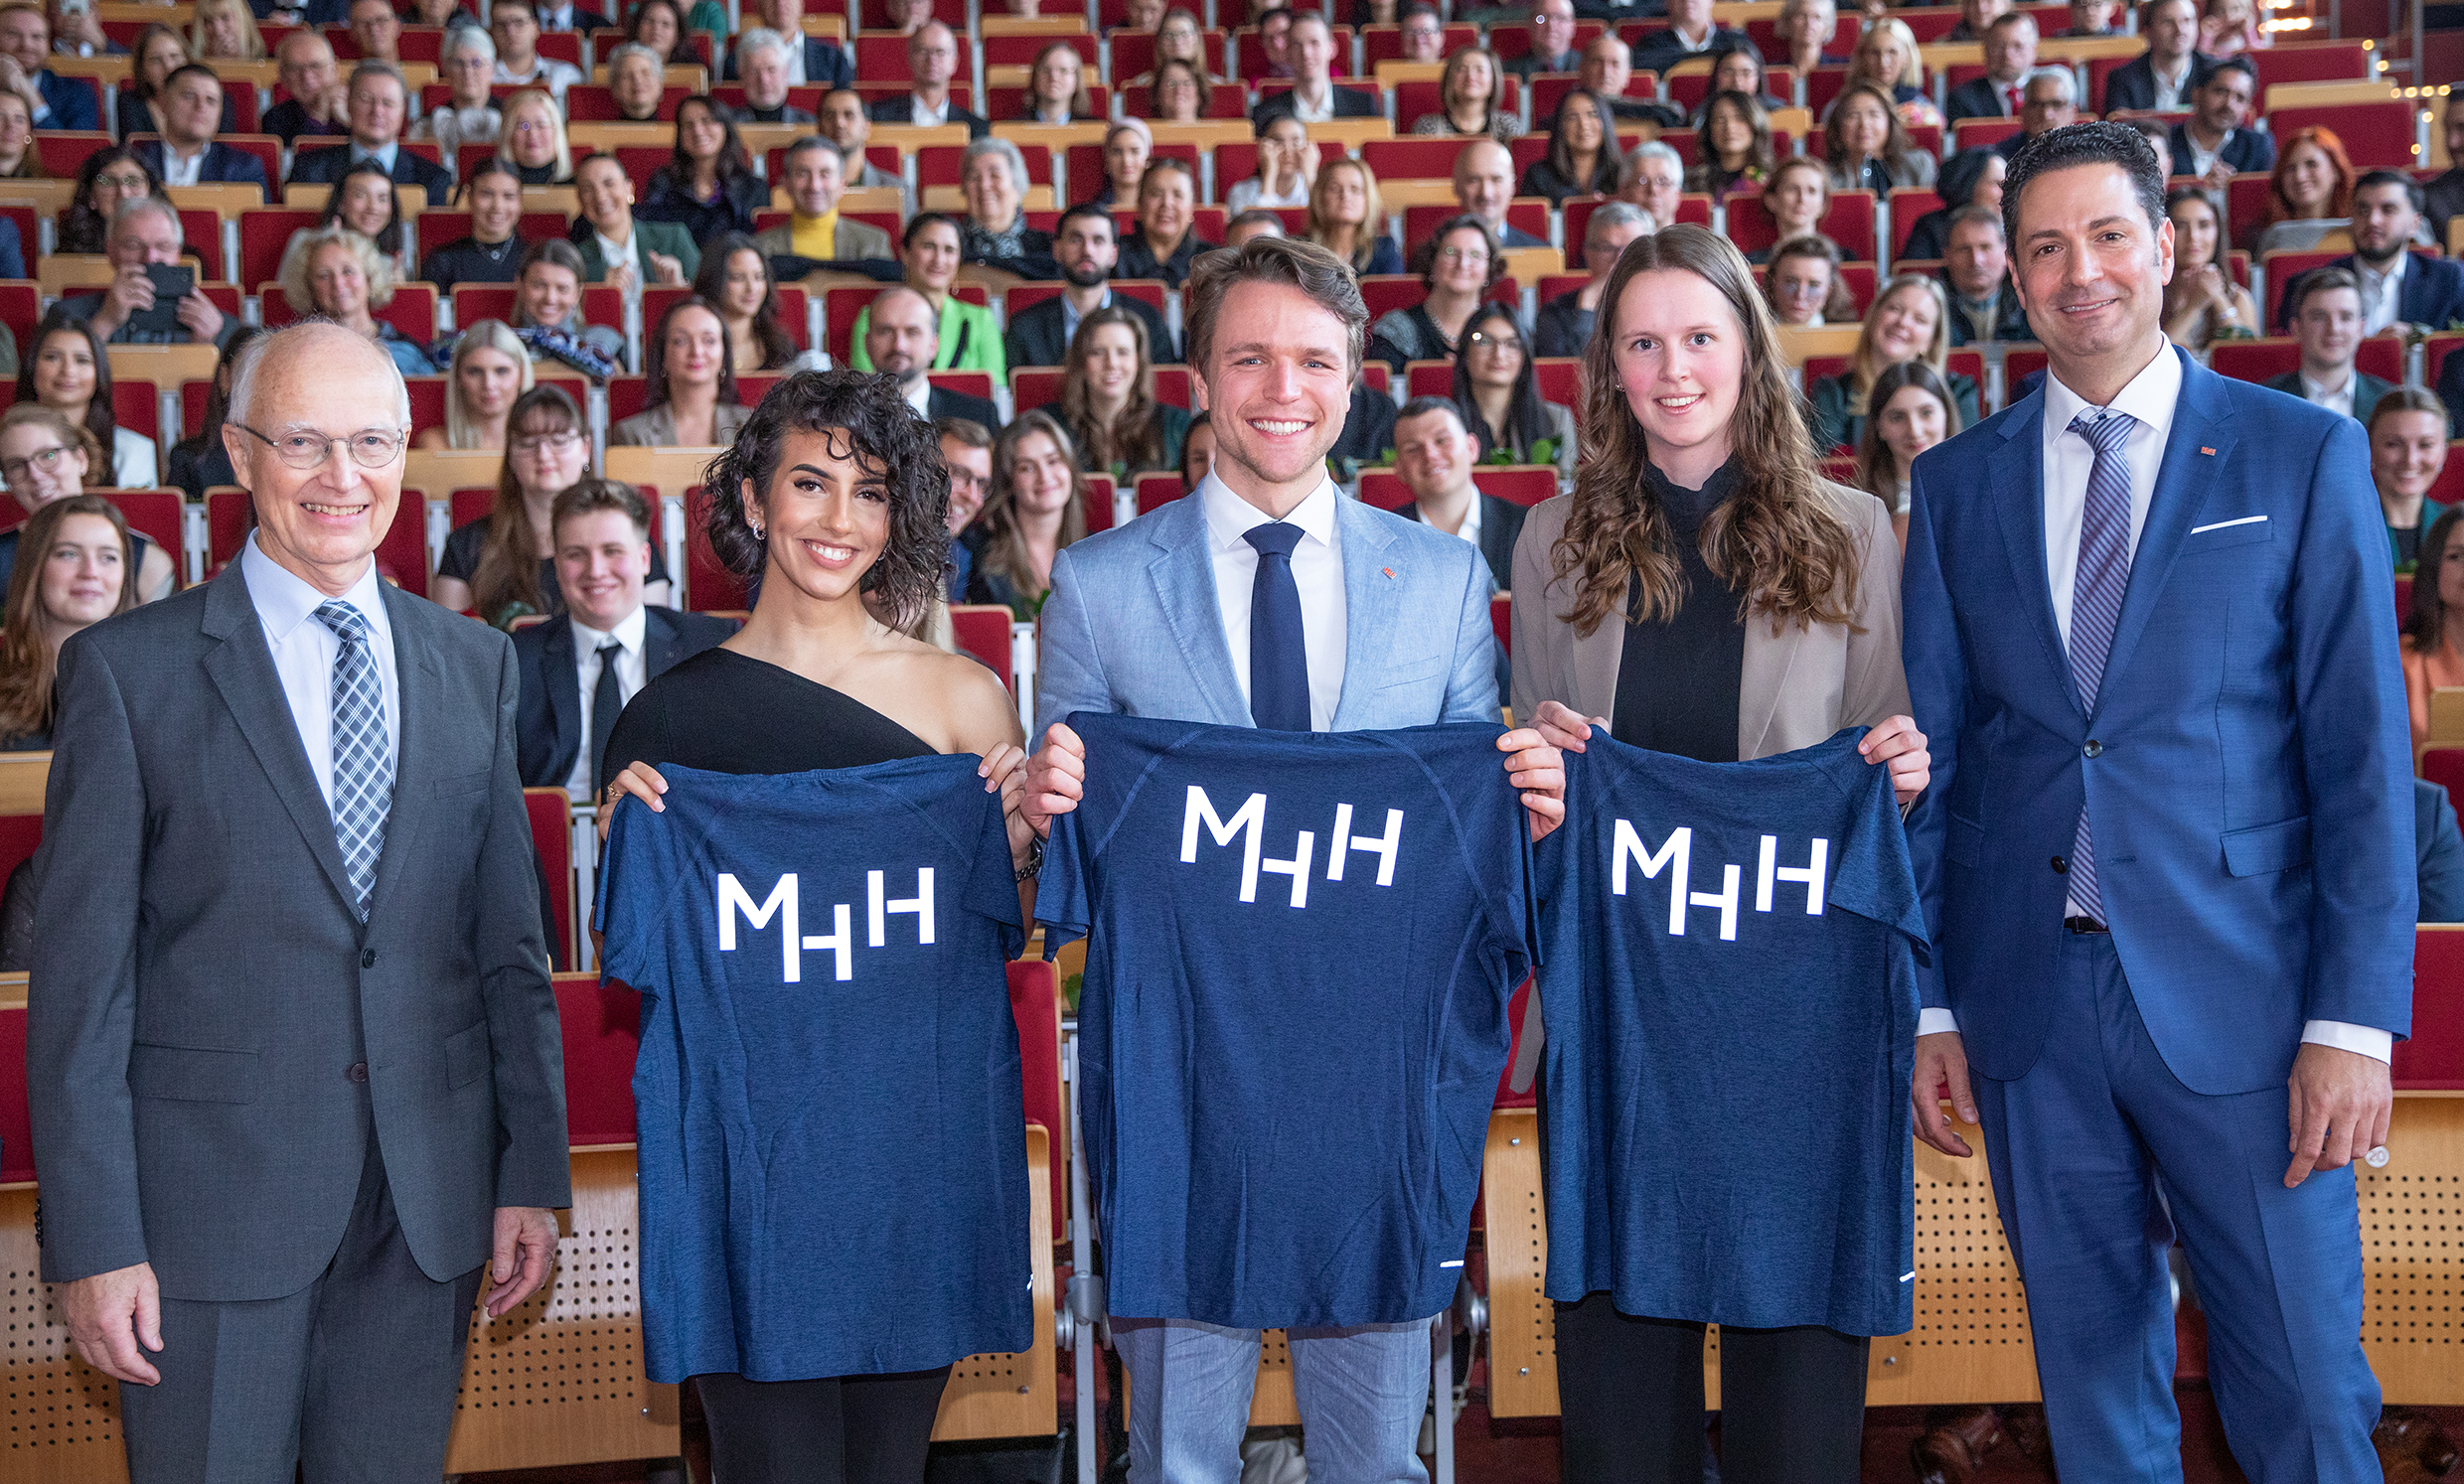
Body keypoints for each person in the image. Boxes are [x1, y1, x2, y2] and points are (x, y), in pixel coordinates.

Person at [1903, 118, 2408, 1484]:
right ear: (2009, 276)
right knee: (2095, 1396)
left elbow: (2363, 757)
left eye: (2109, 235)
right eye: (2047, 246)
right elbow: (1945, 765)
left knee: (2305, 1385)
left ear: (2170, 245)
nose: (2083, 273)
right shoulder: (1955, 488)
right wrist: (1935, 1003)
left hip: (2251, 1000)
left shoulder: (2299, 455)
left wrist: (2353, 1019)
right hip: (2030, 1007)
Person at [1022, 237, 1560, 1481]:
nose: (1282, 387)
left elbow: (1465, 819)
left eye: (1313, 359)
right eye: (1249, 356)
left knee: (1373, 1459)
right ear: (1199, 378)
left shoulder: (1437, 578)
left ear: (1354, 380)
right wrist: (1043, 802)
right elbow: (1068, 861)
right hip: (1182, 1081)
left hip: (1374, 1079)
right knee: (1178, 1459)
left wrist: (1524, 794)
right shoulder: (1098, 587)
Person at [29, 319, 569, 1484]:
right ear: (237, 451)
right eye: (305, 442)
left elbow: (508, 952)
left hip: (425, 1211)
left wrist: (531, 1173)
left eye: (371, 441)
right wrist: (96, 1241)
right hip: (204, 1223)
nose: (342, 477)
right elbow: (81, 991)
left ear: (409, 449)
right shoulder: (128, 675)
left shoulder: (473, 664)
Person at [1499, 216, 1925, 1484]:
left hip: (1795, 1028)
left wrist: (1900, 775)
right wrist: (1538, 777)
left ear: (1749, 349)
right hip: (1623, 1016)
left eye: (1697, 334)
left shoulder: (1852, 531)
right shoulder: (1551, 540)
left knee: (1795, 1410)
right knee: (1622, 1404)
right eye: (1641, 342)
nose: (1671, 367)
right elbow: (1528, 799)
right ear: (1609, 370)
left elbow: (1883, 768)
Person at [589, 369, 1033, 1483]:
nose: (840, 521)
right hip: (747, 1182)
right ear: (751, 499)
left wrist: (1024, 835)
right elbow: (634, 959)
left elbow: (1008, 933)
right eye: (808, 483)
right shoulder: (665, 729)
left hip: (909, 1167)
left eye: (872, 492)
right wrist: (622, 840)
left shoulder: (966, 701)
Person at [513, 480, 734, 796]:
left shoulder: (710, 646)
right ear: (557, 567)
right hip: (555, 841)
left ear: (645, 559)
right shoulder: (516, 660)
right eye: (576, 554)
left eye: (612, 551)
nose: (596, 570)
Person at [434, 384, 674, 622]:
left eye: (559, 440)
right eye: (528, 442)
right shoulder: (466, 544)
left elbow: (655, 632)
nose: (543, 455)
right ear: (511, 456)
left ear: (585, 449)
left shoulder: (625, 539)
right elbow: (444, 641)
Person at [0, 495, 136, 751]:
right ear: (35, 567)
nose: (90, 572)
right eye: (68, 554)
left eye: (108, 557)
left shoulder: (162, 685)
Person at [0, 403, 174, 598]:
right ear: (7, 480)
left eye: (48, 456)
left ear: (81, 459)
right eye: (16, 466)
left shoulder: (146, 563)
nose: (35, 475)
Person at [1805, 274, 1982, 450]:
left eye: (1919, 319)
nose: (1903, 322)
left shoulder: (1958, 393)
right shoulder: (1832, 394)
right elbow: (1826, 470)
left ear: (1931, 341)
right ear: (1875, 315)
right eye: (1895, 309)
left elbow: (1968, 464)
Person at [1005, 205, 1176, 369]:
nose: (1087, 250)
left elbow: (1163, 390)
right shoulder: (1025, 327)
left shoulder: (1148, 321)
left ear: (1113, 254)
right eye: (1076, 239)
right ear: (1057, 250)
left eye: (1098, 240)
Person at [59, 196, 235, 349]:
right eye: (133, 245)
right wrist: (106, 321)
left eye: (163, 246)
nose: (150, 258)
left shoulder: (222, 327)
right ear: (110, 251)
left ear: (178, 253)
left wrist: (208, 346)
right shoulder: (66, 315)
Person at [1391, 395, 1526, 592]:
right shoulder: (1385, 538)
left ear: (1472, 448)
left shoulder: (1524, 528)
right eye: (1413, 449)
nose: (1430, 455)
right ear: (1399, 468)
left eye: (1442, 440)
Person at [960, 409, 1087, 616]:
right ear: (1008, 481)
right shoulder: (976, 554)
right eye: (1027, 468)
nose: (1044, 476)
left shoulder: (1099, 550)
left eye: (1053, 460)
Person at [848, 218, 1005, 380]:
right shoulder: (872, 316)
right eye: (929, 247)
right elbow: (864, 388)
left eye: (949, 250)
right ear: (905, 252)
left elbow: (994, 389)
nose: (938, 260)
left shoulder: (981, 320)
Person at [18, 313, 154, 489]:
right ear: (31, 367)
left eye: (82, 360)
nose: (68, 371)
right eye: (52, 357)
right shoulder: (7, 446)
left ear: (99, 374)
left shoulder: (134, 450)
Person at [281, 226, 431, 377]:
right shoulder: (294, 354)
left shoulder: (407, 352)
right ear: (309, 286)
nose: (338, 283)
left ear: (370, 278)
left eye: (348, 271)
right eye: (324, 275)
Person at [286, 64, 453, 199]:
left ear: (403, 110)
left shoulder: (432, 179)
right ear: (349, 104)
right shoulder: (309, 170)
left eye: (387, 102)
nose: (377, 111)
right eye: (366, 99)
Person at [1060, 309, 1190, 481]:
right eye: (1098, 352)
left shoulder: (1177, 426)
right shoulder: (1054, 428)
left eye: (1123, 352)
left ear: (1138, 361)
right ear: (1081, 362)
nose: (1112, 364)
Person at [1452, 301, 1579, 476]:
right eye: (1485, 341)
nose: (1499, 354)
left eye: (1512, 344)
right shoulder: (1443, 423)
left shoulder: (1556, 420)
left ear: (1524, 357)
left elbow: (1564, 490)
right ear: (1465, 353)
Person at [2334, 171, 2464, 338]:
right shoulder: (2316, 285)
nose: (2373, 220)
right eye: (2362, 210)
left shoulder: (2449, 281)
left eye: (2388, 209)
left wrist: (2418, 342)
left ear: (2414, 224)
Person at [1368, 214, 1500, 371]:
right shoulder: (1396, 330)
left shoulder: (1501, 332)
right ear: (1432, 262)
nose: (1463, 264)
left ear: (1489, 270)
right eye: (1451, 252)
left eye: (1474, 255)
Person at [614, 297, 750, 448]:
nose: (696, 351)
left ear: (724, 355)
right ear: (663, 356)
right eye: (681, 341)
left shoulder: (752, 427)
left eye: (709, 340)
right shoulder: (633, 434)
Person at [1853, 358, 1961, 544]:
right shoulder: (1857, 502)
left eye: (1926, 413)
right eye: (1897, 417)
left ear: (1946, 415)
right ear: (1879, 427)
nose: (1914, 431)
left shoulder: (1977, 490)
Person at [2263, 266, 2391, 423]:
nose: (2334, 329)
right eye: (2319, 317)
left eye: (2345, 317)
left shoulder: (2390, 403)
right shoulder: (2265, 401)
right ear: (2296, 328)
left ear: (2361, 329)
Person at [864, 286, 1003, 429]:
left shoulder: (978, 416)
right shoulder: (842, 418)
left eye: (912, 332)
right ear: (867, 343)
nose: (899, 345)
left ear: (933, 345)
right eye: (886, 331)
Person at [751, 138, 894, 267]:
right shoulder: (759, 248)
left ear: (841, 185)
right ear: (786, 184)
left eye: (825, 174)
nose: (815, 186)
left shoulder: (873, 243)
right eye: (803, 174)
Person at [638, 96, 764, 242]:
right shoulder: (663, 182)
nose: (698, 131)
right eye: (688, 124)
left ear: (725, 128)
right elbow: (654, 234)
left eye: (707, 121)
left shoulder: (753, 187)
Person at [129, 66, 264, 202]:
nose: (200, 107)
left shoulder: (243, 168)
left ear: (220, 113)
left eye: (210, 100)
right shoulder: (133, 162)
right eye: (189, 96)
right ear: (163, 102)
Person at [1537, 202, 1654, 357]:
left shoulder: (1671, 305)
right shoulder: (1555, 314)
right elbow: (1566, 374)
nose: (1619, 259)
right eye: (1607, 248)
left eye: (1631, 249)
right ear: (1587, 253)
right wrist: (1586, 312)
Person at [570, 152, 698, 292]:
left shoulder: (673, 238)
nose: (600, 197)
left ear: (629, 189)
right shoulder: (576, 261)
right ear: (580, 200)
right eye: (588, 189)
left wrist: (679, 288)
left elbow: (707, 297)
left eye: (609, 184)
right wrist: (604, 294)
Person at [697, 235, 825, 375]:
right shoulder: (696, 349)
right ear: (714, 280)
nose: (752, 288)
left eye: (759, 277)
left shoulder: (779, 346)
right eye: (738, 278)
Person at [165, 326, 263, 500]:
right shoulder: (186, 459)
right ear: (224, 378)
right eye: (246, 369)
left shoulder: (299, 457)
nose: (259, 381)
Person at [2160, 187, 2259, 349]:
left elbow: (2248, 359)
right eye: (2180, 226)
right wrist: (2194, 306)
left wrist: (2218, 297)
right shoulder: (2150, 297)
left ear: (2217, 232)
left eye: (2204, 225)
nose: (2193, 236)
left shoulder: (2238, 298)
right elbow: (2157, 363)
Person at [511, 239, 624, 376]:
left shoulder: (604, 341)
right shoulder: (498, 343)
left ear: (578, 293)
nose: (550, 299)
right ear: (520, 285)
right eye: (539, 285)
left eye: (562, 288)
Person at [415, 319, 530, 453]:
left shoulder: (544, 450)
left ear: (521, 375)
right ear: (458, 377)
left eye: (501, 371)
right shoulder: (435, 443)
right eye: (475, 372)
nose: (488, 384)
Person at [1250, 11, 1378, 126]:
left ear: (1331, 49)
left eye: (1314, 43)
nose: (1306, 53)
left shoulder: (1364, 106)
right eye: (1297, 44)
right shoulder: (1265, 112)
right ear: (1288, 53)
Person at [865, 22, 989, 138]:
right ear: (909, 59)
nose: (932, 60)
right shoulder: (879, 118)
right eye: (923, 51)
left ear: (954, 63)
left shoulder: (976, 129)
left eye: (940, 52)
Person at [2371, 387, 2450, 567]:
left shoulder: (2458, 528)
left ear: (2444, 452)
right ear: (2370, 448)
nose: (2410, 460)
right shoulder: (2345, 526)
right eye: (2393, 444)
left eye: (2425, 445)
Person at [420, 160, 528, 292]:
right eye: (487, 194)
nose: (497, 206)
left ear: (520, 202)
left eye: (509, 196)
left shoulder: (534, 260)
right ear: (470, 198)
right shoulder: (442, 262)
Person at [2164, 56, 2270, 187]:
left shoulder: (2257, 147)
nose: (2229, 105)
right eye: (2221, 92)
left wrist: (2235, 189)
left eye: (2240, 98)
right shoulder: (2164, 143)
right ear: (2196, 94)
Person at [957, 136, 1055, 278]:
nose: (984, 186)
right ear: (964, 189)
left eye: (995, 175)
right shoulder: (951, 246)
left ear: (1017, 186)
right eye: (974, 177)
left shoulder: (1047, 247)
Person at [2251, 125, 2355, 255]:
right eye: (2290, 168)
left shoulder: (2358, 230)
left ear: (2336, 171)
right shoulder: (2267, 237)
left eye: (2311, 164)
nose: (2300, 177)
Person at [1938, 206, 2033, 344]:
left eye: (1985, 247)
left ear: (2006, 253)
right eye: (1964, 249)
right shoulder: (1930, 307)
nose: (1976, 261)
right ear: (1946, 255)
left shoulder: (2031, 302)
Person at [1117, 158, 1215, 289]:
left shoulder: (1214, 261)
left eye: (1178, 195)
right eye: (1156, 194)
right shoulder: (1114, 256)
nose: (1167, 203)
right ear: (1139, 204)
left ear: (1192, 207)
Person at [1824, 80, 1937, 194]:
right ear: (1838, 125)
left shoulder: (1918, 166)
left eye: (1873, 114)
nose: (1864, 124)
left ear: (1890, 122)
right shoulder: (1825, 178)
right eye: (1853, 115)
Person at [411, 27, 505, 160]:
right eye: (458, 63)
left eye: (476, 63)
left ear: (493, 68)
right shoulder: (427, 125)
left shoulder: (511, 118)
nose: (468, 72)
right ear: (446, 69)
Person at [0, 4, 97, 129]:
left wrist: (31, 96)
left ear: (48, 42)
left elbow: (71, 147)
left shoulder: (78, 93)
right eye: (13, 34)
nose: (26, 45)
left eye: (37, 36)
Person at [1303, 156, 1402, 277]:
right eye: (1334, 189)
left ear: (1368, 199)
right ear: (1320, 197)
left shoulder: (1384, 249)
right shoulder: (1300, 250)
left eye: (1355, 189)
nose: (1345, 196)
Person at [2105, 0, 2212, 110]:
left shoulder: (2212, 73)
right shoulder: (2123, 78)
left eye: (2187, 20)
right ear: (2147, 31)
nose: (2180, 30)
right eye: (2168, 22)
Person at [1903, 150, 2004, 263]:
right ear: (1969, 184)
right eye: (1997, 184)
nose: (2006, 192)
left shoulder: (2015, 225)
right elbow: (1916, 274)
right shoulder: (1931, 227)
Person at [1844, 16, 1942, 132]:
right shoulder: (1843, 106)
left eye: (1892, 52)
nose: (1883, 62)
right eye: (1874, 52)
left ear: (1907, 57)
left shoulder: (1925, 113)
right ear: (1863, 56)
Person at [1523, 89, 1621, 206]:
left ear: (1605, 122)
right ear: (1560, 126)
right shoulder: (1538, 176)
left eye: (1592, 115)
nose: (1583, 124)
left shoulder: (1622, 175)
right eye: (1572, 117)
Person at [302, 160, 408, 266]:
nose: (372, 208)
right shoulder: (306, 245)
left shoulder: (395, 258)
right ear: (340, 203)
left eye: (382, 198)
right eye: (360, 195)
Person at [57, 146, 154, 256]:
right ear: (91, 195)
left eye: (133, 181)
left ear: (149, 190)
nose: (123, 194)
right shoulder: (73, 250)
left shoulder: (166, 243)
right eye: (109, 182)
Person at [1411, 46, 1516, 140]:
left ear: (1493, 81)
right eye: (1462, 69)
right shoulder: (1428, 127)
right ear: (1449, 78)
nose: (1471, 76)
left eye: (1480, 70)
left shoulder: (1507, 126)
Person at [1943, 12, 2036, 121]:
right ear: (1986, 50)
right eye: (1998, 47)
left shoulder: (2052, 92)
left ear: (2034, 50)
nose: (2007, 55)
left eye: (2018, 46)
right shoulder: (1963, 99)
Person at [1457, 139, 1548, 248]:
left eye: (1496, 180)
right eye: (1474, 180)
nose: (1486, 193)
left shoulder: (1540, 254)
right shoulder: (1434, 256)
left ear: (1512, 186)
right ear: (1457, 187)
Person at [938, 415, 992, 597]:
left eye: (982, 484)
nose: (973, 497)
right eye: (959, 475)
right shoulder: (877, 547)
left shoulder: (959, 557)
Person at [1581, 34, 1685, 129]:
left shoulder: (1659, 113)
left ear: (1628, 74)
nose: (1605, 72)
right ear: (1582, 68)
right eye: (1597, 62)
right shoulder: (1566, 110)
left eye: (1615, 64)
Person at [1687, 90, 1774, 202]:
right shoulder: (1692, 181)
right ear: (1709, 130)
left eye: (1739, 118)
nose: (1730, 128)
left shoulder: (1770, 182)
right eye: (1720, 119)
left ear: (1755, 124)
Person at [262, 30, 347, 144]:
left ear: (334, 69)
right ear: (282, 76)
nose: (307, 77)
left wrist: (351, 124)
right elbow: (300, 159)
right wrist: (318, 114)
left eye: (316, 66)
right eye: (295, 68)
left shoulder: (362, 106)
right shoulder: (276, 118)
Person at [1747, 157, 1836, 263]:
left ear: (1823, 204)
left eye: (1812, 191)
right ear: (1771, 200)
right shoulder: (1750, 263)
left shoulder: (1847, 259)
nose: (1802, 199)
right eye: (1792, 189)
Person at [1764, 232, 1855, 328]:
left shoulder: (1848, 336)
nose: (1800, 295)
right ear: (1773, 283)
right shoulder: (1750, 333)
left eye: (1814, 285)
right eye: (1791, 282)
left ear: (1829, 290)